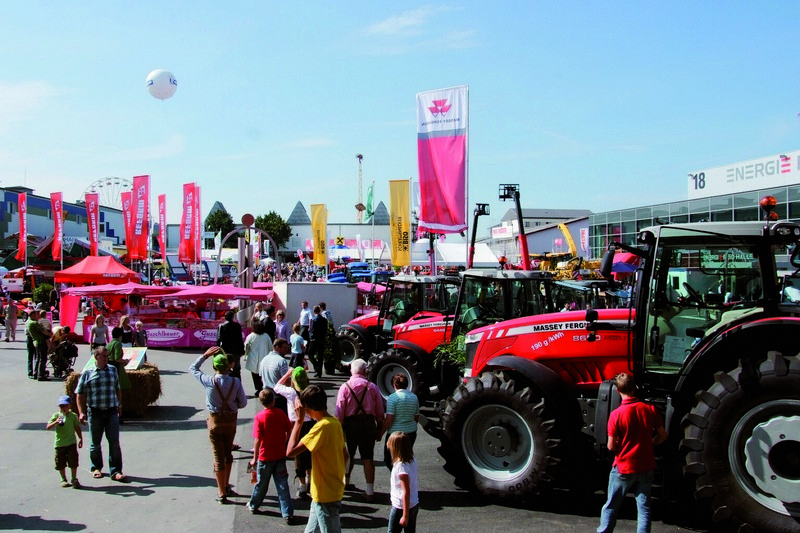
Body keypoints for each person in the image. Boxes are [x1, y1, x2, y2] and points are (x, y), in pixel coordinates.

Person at [597, 372, 667, 533]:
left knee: (611, 506)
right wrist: (649, 444)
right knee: (644, 509)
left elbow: (611, 447)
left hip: (623, 467)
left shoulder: (616, 415)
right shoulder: (649, 409)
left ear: (617, 390)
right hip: (646, 466)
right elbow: (663, 436)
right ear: (634, 388)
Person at [190, 346, 248, 504]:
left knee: (218, 456)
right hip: (231, 421)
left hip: (215, 421)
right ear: (228, 366)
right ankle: (226, 485)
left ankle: (221, 492)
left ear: (215, 367)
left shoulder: (209, 381)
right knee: (228, 453)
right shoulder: (235, 382)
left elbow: (193, 369)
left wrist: (204, 356)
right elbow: (243, 403)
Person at [287, 385, 347, 533]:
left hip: (324, 494)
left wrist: (298, 422)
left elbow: (290, 452)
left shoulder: (320, 427)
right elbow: (345, 455)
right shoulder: (334, 422)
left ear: (309, 407)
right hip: (327, 490)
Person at [75, 346, 126, 481]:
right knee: (95, 443)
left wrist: (119, 404)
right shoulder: (88, 373)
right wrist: (81, 412)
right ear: (95, 357)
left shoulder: (113, 370)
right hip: (95, 412)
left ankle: (116, 471)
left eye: (106, 356)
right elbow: (80, 394)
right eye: (102, 356)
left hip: (111, 411)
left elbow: (117, 389)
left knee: (114, 442)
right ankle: (96, 467)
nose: (105, 359)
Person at [335, 359, 384, 501]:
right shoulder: (372, 387)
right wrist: (379, 428)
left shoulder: (345, 387)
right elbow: (380, 411)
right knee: (368, 457)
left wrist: (340, 429)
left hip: (350, 424)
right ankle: (369, 490)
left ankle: (345, 483)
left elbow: (339, 411)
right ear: (364, 371)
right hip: (368, 424)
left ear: (352, 371)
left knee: (348, 455)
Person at [247, 388, 295, 524]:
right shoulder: (280, 413)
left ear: (261, 402)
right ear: (273, 400)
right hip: (279, 454)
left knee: (261, 483)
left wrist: (254, 458)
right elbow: (289, 428)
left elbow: (257, 440)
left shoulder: (259, 417)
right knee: (282, 484)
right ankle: (287, 512)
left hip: (265, 456)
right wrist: (285, 440)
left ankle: (254, 504)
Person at [274, 366, 315, 498]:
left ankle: (302, 485)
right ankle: (309, 480)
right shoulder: (311, 391)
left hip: (297, 424)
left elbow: (276, 386)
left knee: (299, 455)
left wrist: (287, 374)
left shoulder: (291, 392)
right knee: (310, 453)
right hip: (311, 424)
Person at [379, 373, 420, 472]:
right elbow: (416, 417)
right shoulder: (414, 397)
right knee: (405, 458)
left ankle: (398, 479)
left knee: (390, 459)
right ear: (407, 384)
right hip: (411, 432)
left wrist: (380, 434)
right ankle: (407, 478)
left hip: (395, 434)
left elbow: (389, 419)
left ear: (394, 385)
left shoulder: (393, 398)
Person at [46, 395, 84, 489]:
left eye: (65, 406)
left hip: (71, 443)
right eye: (61, 406)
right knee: (60, 462)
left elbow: (77, 428)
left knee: (73, 461)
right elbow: (48, 427)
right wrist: (55, 422)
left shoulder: (73, 416)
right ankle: (63, 479)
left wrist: (80, 438)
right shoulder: (56, 416)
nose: (63, 408)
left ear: (70, 406)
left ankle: (74, 478)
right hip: (60, 444)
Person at [387, 431, 419, 533]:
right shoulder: (411, 459)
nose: (388, 445)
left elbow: (406, 491)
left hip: (401, 507)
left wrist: (405, 516)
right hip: (414, 504)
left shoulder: (401, 467)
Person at [105, 327, 131, 424]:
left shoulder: (109, 343)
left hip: (108, 369)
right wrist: (126, 361)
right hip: (116, 369)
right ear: (120, 335)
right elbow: (117, 358)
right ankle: (118, 415)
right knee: (118, 392)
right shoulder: (118, 344)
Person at [259, 338, 291, 413]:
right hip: (279, 396)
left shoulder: (264, 359)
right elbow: (286, 381)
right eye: (284, 347)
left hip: (266, 394)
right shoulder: (281, 361)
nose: (286, 350)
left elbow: (261, 376)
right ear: (277, 347)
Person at [244, 319, 273, 395]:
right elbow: (270, 347)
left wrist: (246, 354)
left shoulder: (251, 336)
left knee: (255, 374)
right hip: (264, 357)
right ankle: (264, 387)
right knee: (263, 374)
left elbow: (246, 346)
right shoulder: (266, 336)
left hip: (254, 358)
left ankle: (258, 388)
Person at [217, 310, 245, 381]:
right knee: (237, 370)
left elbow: (218, 339)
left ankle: (226, 385)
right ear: (232, 317)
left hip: (225, 350)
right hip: (236, 350)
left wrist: (217, 351)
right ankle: (238, 386)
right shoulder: (237, 325)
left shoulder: (221, 326)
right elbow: (240, 339)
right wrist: (242, 350)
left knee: (225, 369)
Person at [27, 309, 52, 381]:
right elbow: (43, 331)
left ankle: (36, 374)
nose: (37, 316)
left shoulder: (29, 323)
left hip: (36, 341)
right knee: (43, 359)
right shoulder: (34, 323)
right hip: (40, 341)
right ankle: (41, 375)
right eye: (36, 314)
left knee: (38, 358)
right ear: (32, 315)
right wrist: (49, 334)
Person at [306, 305, 328, 378]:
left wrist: (311, 337)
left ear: (313, 311)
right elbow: (325, 330)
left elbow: (313, 330)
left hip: (315, 339)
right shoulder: (324, 320)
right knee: (320, 355)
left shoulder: (314, 319)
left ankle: (316, 367)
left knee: (310, 353)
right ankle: (319, 372)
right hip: (322, 339)